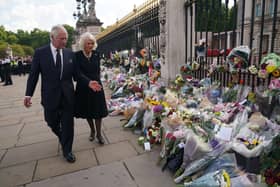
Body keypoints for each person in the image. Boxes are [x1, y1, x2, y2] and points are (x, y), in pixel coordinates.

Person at [24, 25, 81, 163]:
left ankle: (67, 150)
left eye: (66, 38)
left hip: (67, 96)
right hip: (50, 96)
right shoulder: (40, 53)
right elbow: (33, 75)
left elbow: (77, 74)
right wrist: (28, 94)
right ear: (52, 38)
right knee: (51, 121)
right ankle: (63, 137)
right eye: (61, 38)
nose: (64, 41)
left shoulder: (69, 53)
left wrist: (89, 83)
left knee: (68, 124)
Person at [75, 32, 108, 144]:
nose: (90, 45)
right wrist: (88, 82)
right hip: (84, 87)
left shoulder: (96, 54)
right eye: (88, 43)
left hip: (96, 86)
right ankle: (92, 131)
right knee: (88, 111)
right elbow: (77, 73)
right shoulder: (77, 56)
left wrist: (96, 82)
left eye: (92, 43)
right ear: (83, 44)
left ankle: (99, 133)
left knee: (98, 111)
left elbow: (97, 71)